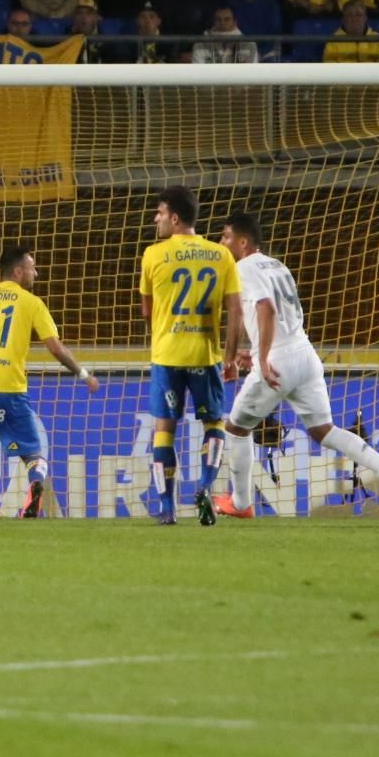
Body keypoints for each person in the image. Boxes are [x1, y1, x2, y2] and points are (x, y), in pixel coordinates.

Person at [211, 212, 379, 520]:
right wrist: (257, 349)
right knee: (323, 430)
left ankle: (240, 503)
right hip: (304, 354)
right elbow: (278, 315)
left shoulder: (243, 268)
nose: (223, 242)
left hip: (278, 361)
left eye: (226, 237)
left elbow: (266, 308)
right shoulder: (277, 265)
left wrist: (263, 357)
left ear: (243, 242)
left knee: (236, 428)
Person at [0, 245, 98, 520]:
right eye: (32, 267)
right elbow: (56, 348)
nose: (36, 272)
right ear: (18, 271)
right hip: (7, 387)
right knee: (34, 454)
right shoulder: (31, 303)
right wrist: (83, 374)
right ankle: (35, 485)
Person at [138, 185, 241, 526]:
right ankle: (205, 487)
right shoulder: (222, 256)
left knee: (164, 428)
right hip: (205, 353)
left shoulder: (153, 254)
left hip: (167, 355)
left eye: (160, 213)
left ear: (175, 218)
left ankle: (167, 508)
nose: (157, 219)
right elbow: (234, 310)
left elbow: (146, 310)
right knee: (213, 423)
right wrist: (228, 357)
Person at [193, 7, 259, 62]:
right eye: (218, 19)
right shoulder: (202, 43)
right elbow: (198, 71)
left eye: (227, 19)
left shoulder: (248, 44)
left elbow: (250, 72)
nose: (222, 22)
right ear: (214, 22)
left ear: (235, 22)